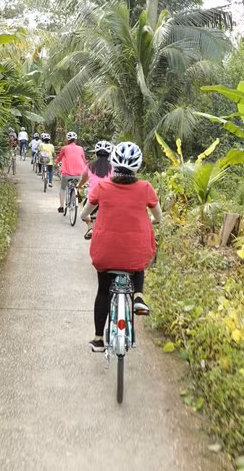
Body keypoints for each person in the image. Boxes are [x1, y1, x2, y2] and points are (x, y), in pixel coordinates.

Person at [80, 141, 162, 352]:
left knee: (103, 291)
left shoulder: (102, 187)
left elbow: (84, 214)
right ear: (138, 165)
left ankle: (99, 339)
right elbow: (158, 217)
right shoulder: (146, 188)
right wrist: (151, 221)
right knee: (138, 257)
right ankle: (138, 296)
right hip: (135, 254)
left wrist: (88, 218)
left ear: (114, 163)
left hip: (105, 254)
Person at [76, 140, 112, 238]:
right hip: (109, 199)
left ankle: (90, 227)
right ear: (109, 154)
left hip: (93, 199)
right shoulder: (113, 168)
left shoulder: (90, 166)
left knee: (84, 215)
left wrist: (79, 186)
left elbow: (83, 179)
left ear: (96, 153)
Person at [55, 131, 87, 213]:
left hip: (67, 173)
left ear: (67, 140)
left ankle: (61, 206)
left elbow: (59, 158)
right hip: (79, 174)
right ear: (75, 140)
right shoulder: (80, 148)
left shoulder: (64, 148)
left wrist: (56, 163)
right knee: (76, 185)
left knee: (62, 188)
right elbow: (84, 160)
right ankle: (76, 193)